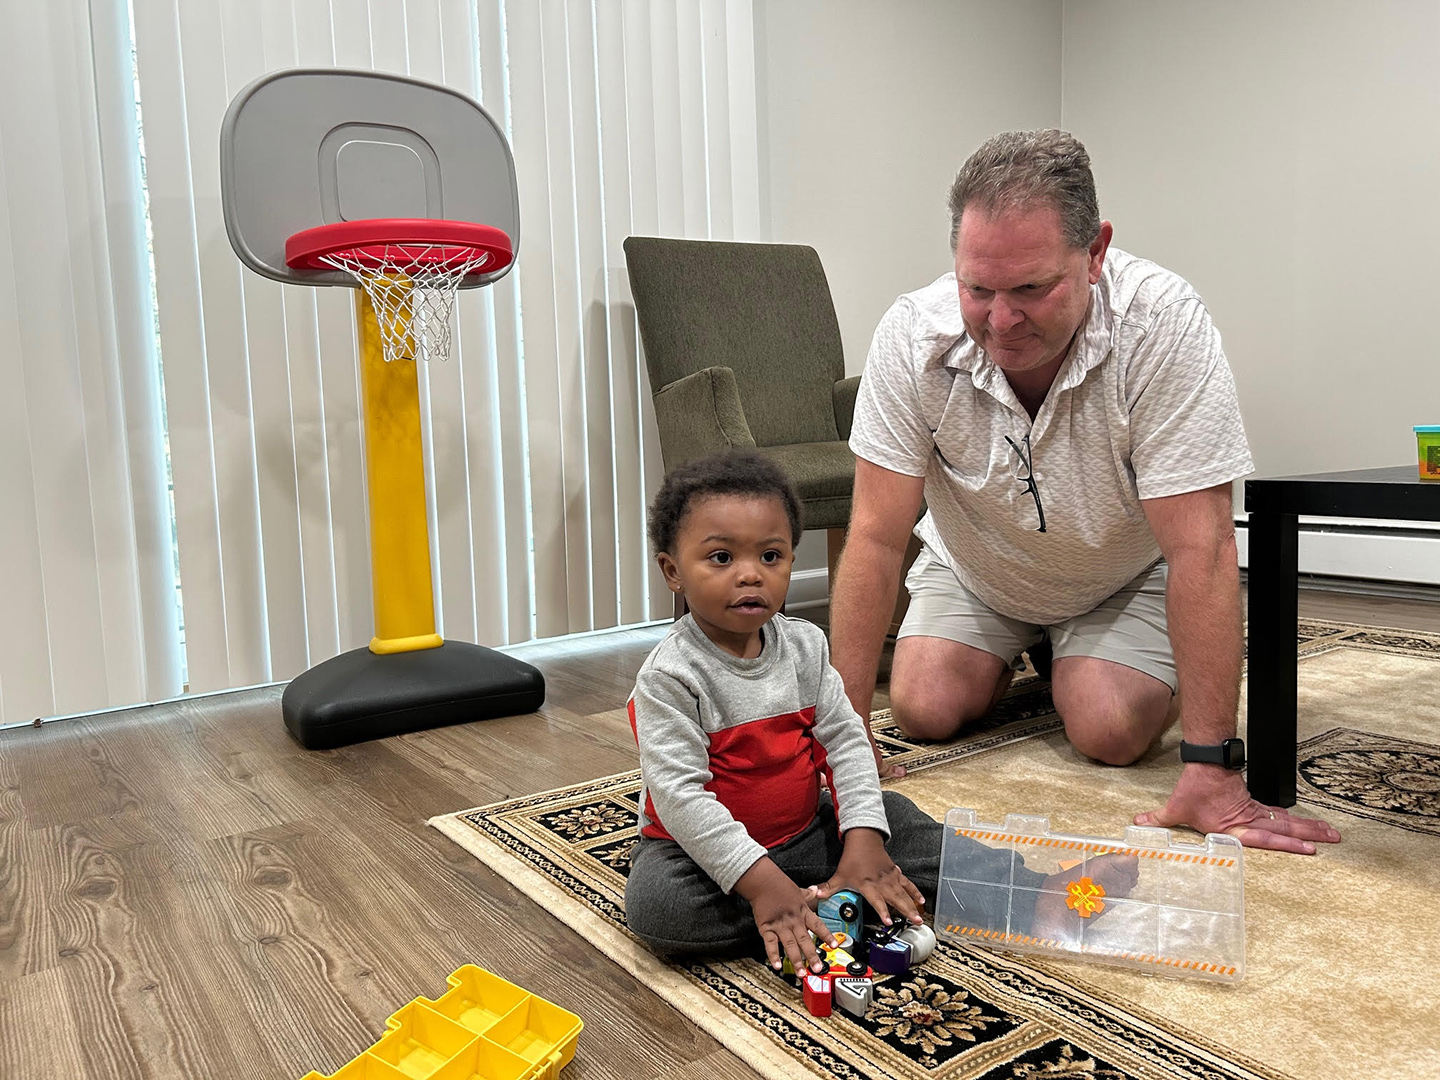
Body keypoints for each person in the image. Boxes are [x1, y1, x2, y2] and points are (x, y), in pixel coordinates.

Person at [830, 129, 1340, 855]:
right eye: (978, 289)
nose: (1000, 322)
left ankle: (1080, 659)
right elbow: (877, 536)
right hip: (978, 567)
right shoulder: (913, 336)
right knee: (921, 707)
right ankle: (1039, 650)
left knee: (1108, 729)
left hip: (1120, 575)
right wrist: (845, 746)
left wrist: (1213, 770)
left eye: (1033, 289)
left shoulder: (1161, 323)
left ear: (1095, 252)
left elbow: (1202, 547)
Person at [623, 448, 1136, 973]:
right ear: (673, 571)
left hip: (803, 833)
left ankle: (1033, 892)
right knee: (661, 911)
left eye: (770, 556)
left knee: (897, 821)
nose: (751, 575)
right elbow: (682, 798)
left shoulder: (805, 647)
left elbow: (845, 742)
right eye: (722, 558)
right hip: (699, 854)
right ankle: (812, 906)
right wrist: (761, 884)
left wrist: (864, 842)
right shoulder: (669, 677)